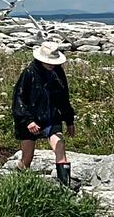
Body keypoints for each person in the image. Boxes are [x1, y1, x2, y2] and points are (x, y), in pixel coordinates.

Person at [11, 41, 76, 187]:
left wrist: (69, 120)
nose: (52, 64)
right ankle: (17, 183)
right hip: (30, 119)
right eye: (49, 62)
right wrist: (28, 120)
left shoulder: (58, 72)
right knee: (27, 157)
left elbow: (63, 98)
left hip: (51, 117)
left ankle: (65, 186)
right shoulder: (28, 73)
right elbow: (18, 99)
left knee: (60, 145)